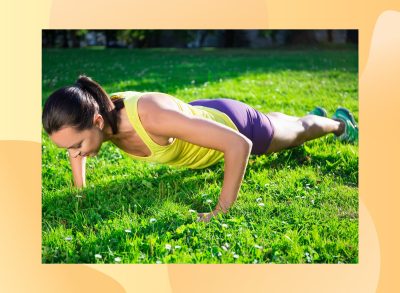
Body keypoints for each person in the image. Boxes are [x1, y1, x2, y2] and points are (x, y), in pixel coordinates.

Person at [42, 75, 358, 222]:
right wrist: (80, 193)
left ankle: (339, 124)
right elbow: (74, 149)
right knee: (279, 122)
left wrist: (221, 210)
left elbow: (239, 145)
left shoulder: (149, 116)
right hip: (195, 114)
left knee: (297, 133)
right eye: (70, 149)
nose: (76, 153)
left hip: (236, 125)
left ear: (97, 121)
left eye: (78, 146)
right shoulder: (95, 111)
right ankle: (307, 118)